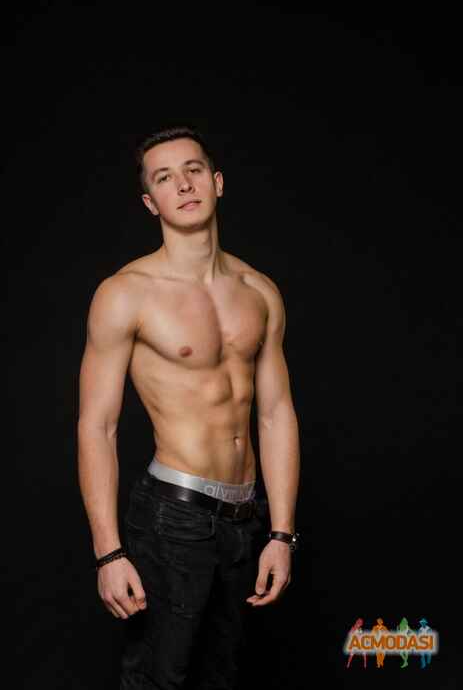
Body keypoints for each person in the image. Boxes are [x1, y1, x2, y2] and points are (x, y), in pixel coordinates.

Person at [77, 124, 301, 689]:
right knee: (160, 678)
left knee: (220, 677)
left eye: (193, 170)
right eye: (165, 177)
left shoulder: (259, 291)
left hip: (245, 519)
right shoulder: (126, 293)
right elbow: (97, 427)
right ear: (150, 202)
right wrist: (108, 554)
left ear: (217, 182)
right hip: (172, 516)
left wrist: (281, 534)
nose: (183, 185)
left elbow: (275, 413)